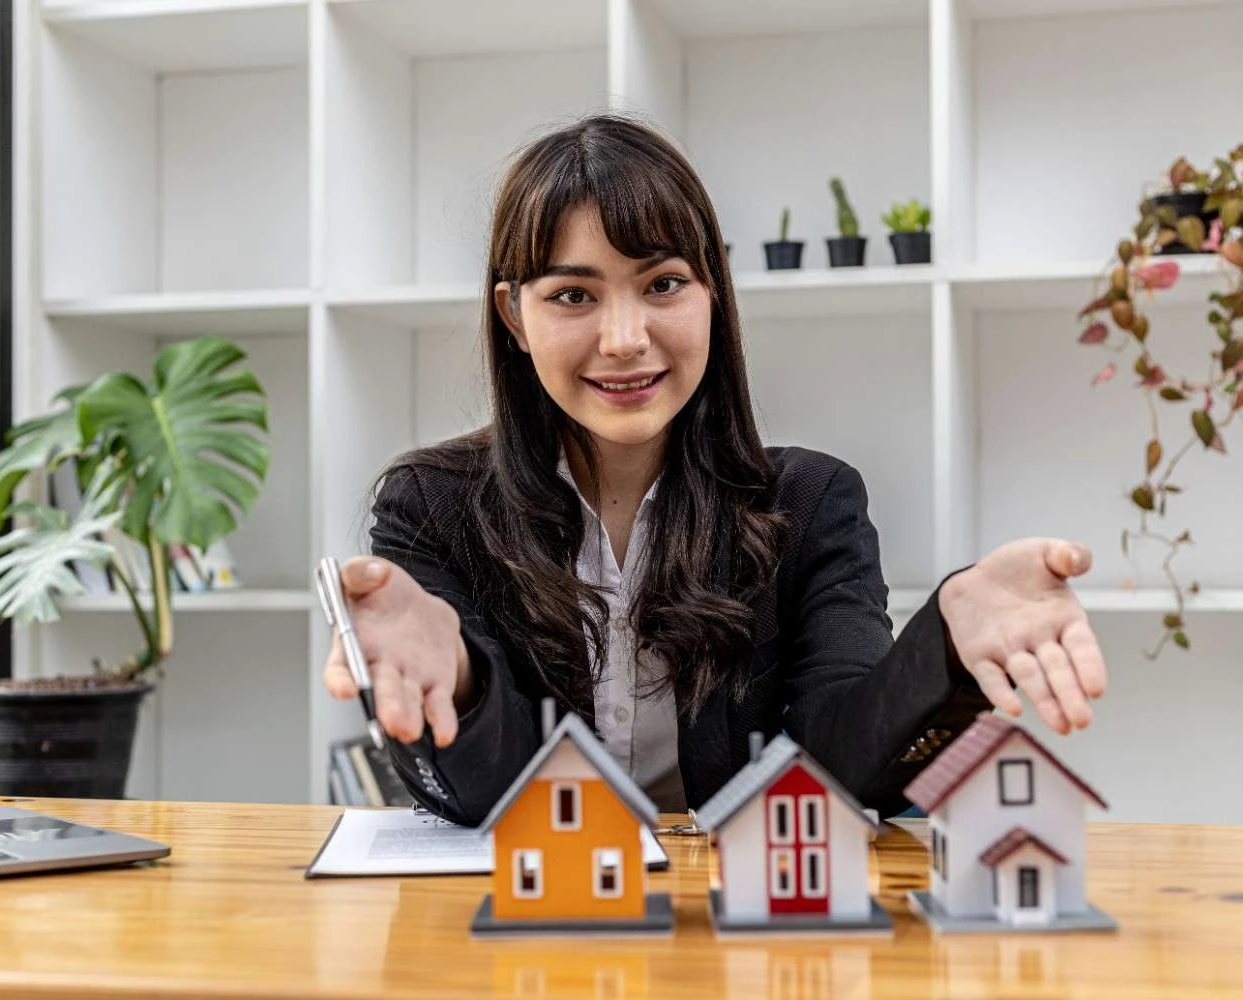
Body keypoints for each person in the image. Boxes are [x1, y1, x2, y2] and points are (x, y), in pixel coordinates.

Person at [322, 113, 1107, 826]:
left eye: (663, 284)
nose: (625, 338)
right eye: (573, 295)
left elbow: (851, 771)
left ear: (712, 295)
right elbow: (491, 794)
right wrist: (458, 674)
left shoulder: (811, 503)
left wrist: (947, 640)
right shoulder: (432, 506)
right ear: (513, 319)